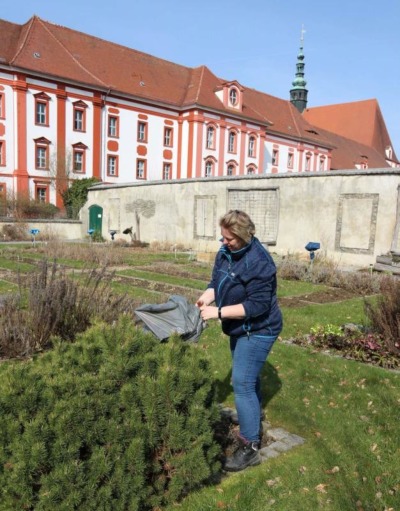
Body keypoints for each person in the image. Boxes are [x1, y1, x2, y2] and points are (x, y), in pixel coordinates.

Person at [196, 209, 282, 472]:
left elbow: (256, 306)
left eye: (229, 239)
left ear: (245, 235)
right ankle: (253, 419)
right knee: (248, 378)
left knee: (241, 382)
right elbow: (216, 282)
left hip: (259, 328)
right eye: (222, 237)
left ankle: (250, 446)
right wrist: (207, 298)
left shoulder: (260, 263)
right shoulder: (225, 253)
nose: (223, 243)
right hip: (239, 328)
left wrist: (218, 312)